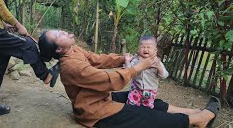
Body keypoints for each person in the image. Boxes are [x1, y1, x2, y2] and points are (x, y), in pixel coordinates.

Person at [38, 29, 220, 128]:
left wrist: (124, 59)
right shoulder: (71, 66)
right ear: (58, 50)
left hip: (98, 98)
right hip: (94, 112)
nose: (61, 31)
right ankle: (198, 120)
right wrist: (138, 66)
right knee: (145, 115)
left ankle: (192, 111)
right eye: (57, 35)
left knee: (142, 96)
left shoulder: (75, 50)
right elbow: (104, 79)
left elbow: (98, 59)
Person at [124, 35, 169, 109]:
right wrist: (127, 61)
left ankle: (144, 117)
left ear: (155, 50)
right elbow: (128, 71)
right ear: (138, 49)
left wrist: (159, 68)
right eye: (142, 47)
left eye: (148, 47)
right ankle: (131, 116)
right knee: (131, 105)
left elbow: (165, 75)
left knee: (147, 108)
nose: (145, 49)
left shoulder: (157, 62)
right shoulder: (136, 60)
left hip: (150, 90)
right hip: (136, 88)